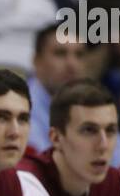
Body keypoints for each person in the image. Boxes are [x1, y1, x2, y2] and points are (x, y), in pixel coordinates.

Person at [27, 24, 86, 152]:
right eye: (60, 53)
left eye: (79, 55)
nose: (72, 64)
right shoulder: (20, 107)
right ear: (36, 61)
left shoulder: (93, 106)